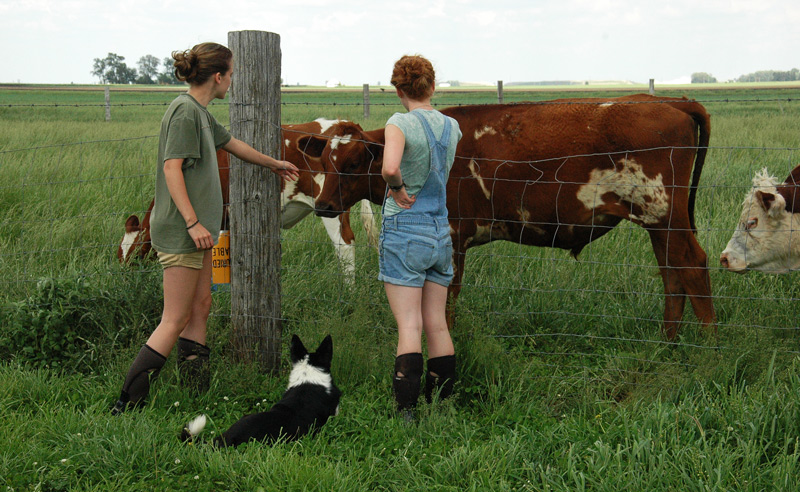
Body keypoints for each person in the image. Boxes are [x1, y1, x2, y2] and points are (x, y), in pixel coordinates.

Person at [111, 42, 300, 415]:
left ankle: (194, 393)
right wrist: (193, 221)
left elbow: (232, 144)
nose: (232, 80)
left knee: (201, 306)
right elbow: (172, 168)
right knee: (175, 318)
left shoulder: (199, 112)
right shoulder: (184, 112)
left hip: (198, 231)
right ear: (218, 76)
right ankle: (126, 405)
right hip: (184, 230)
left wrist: (274, 163)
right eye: (231, 73)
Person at [380, 55, 462, 420]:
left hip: (405, 229)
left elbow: (390, 167)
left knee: (409, 325)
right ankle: (443, 404)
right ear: (432, 86)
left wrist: (396, 189)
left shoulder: (399, 123)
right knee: (437, 322)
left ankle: (407, 412)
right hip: (440, 231)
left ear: (399, 90)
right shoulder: (452, 127)